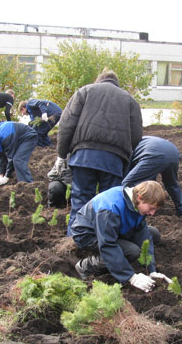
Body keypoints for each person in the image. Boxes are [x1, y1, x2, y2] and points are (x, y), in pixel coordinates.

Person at [56, 68, 143, 235]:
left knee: (81, 201)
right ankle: (103, 244)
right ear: (116, 83)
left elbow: (66, 124)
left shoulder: (85, 91)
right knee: (108, 204)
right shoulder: (129, 100)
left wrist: (61, 154)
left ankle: (75, 241)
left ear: (98, 80)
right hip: (114, 159)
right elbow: (136, 136)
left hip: (83, 156)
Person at [70, 180, 172, 293]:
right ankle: (86, 266)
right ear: (140, 197)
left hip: (111, 228)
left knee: (153, 234)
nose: (153, 213)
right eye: (151, 208)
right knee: (132, 251)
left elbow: (143, 235)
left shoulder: (136, 204)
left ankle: (120, 256)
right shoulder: (110, 208)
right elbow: (107, 244)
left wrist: (151, 269)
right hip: (88, 234)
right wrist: (130, 277)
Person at [122, 135, 182, 217]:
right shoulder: (140, 140)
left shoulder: (128, 147)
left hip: (154, 154)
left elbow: (128, 172)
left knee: (127, 183)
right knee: (172, 184)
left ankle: (127, 212)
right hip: (173, 153)